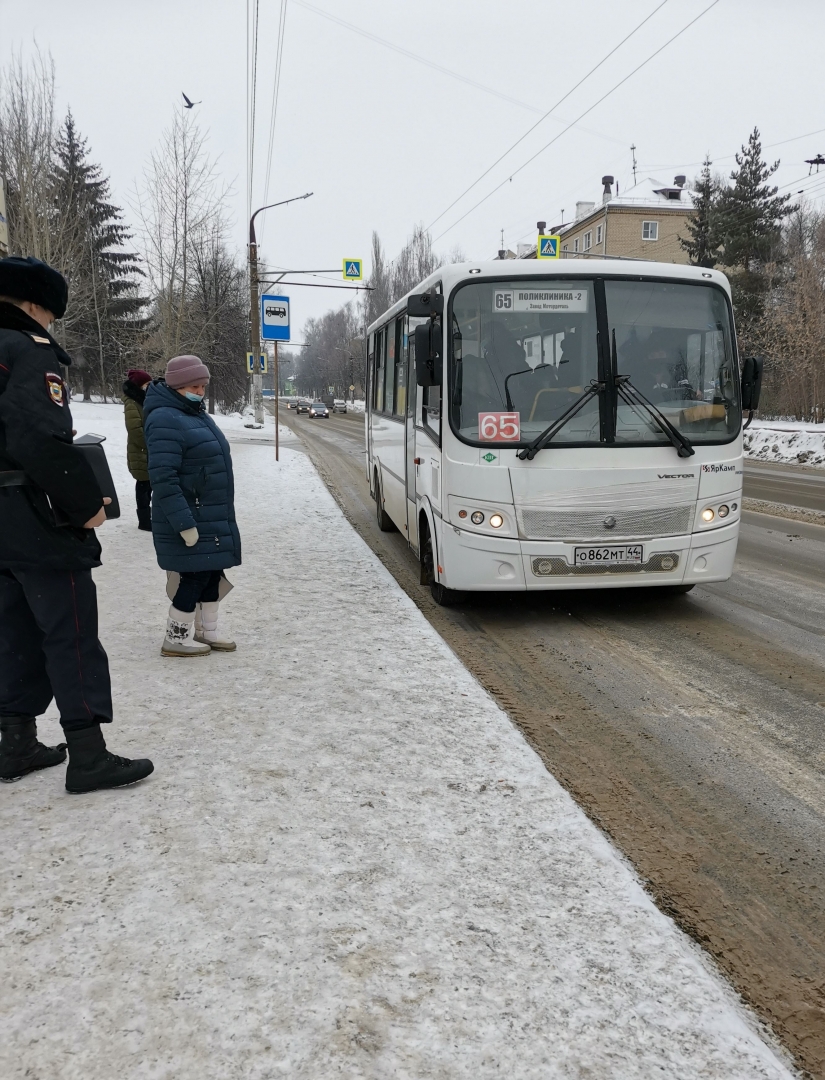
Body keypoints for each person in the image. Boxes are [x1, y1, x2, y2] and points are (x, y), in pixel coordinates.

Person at [0, 255, 153, 792]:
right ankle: (88, 754)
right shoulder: (27, 349)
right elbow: (40, 439)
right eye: (52, 315)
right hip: (34, 516)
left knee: (13, 629)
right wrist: (83, 505)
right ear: (37, 304)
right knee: (71, 632)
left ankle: (14, 742)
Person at [143, 355, 241, 657]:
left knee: (212, 572)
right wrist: (183, 523)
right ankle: (176, 636)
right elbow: (163, 477)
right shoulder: (164, 418)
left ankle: (207, 632)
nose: (200, 391)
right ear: (177, 386)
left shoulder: (194, 413)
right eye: (194, 386)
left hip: (209, 513)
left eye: (203, 386)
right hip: (189, 515)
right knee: (194, 576)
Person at [121, 368, 152, 531]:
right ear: (139, 385)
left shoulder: (143, 400)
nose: (149, 386)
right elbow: (134, 429)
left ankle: (149, 518)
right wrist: (150, 444)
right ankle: (144, 520)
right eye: (147, 384)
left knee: (149, 485)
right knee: (143, 485)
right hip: (140, 451)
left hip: (146, 450)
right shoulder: (132, 402)